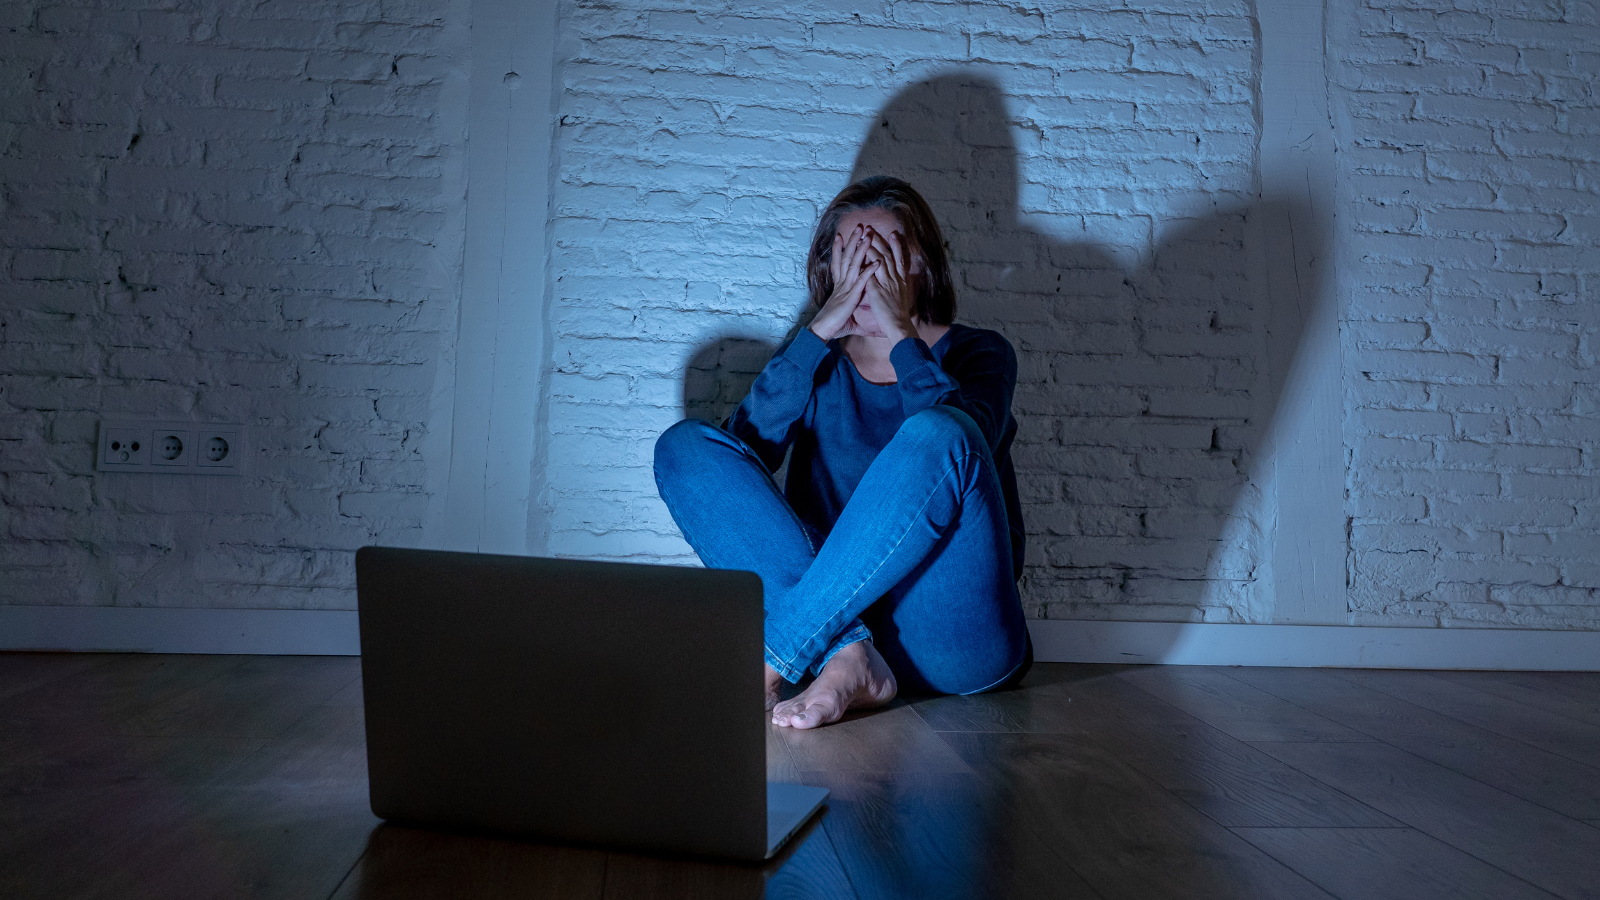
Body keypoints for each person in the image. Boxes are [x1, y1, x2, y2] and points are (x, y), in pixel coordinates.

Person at [653, 175, 1030, 730]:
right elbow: (739, 465)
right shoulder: (815, 362)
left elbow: (962, 440)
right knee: (683, 448)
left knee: (940, 433)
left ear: (920, 264)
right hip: (836, 628)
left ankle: (771, 660)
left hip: (950, 633)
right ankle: (850, 658)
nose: (867, 269)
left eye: (886, 252)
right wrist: (820, 328)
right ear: (830, 269)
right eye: (852, 254)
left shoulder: (981, 353)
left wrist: (901, 333)